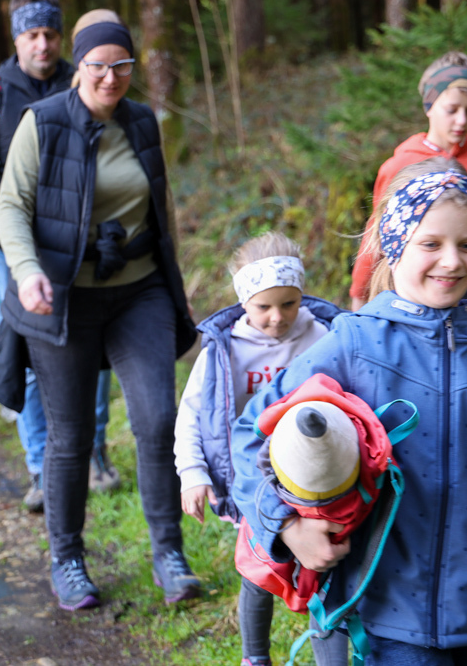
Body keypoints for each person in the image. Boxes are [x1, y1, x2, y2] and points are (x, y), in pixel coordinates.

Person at [232, 160, 467, 665]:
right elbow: (249, 433)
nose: (451, 261)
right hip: (375, 619)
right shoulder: (352, 345)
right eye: (431, 244)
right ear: (394, 244)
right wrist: (286, 527)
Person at [0, 14, 198, 611]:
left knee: (158, 420)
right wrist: (27, 271)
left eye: (122, 66)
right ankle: (68, 560)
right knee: (72, 435)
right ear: (78, 68)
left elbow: (159, 206)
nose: (111, 77)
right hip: (63, 296)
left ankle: (169, 553)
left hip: (138, 290)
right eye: (99, 66)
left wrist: (174, 280)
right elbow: (11, 206)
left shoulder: (141, 121)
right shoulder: (42, 122)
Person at [0, 0, 118, 513]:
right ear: (16, 40)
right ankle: (41, 465)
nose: (42, 44)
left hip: (83, 247)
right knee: (25, 352)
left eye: (50, 34)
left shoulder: (85, 82)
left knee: (93, 350)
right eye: (32, 36)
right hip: (14, 247)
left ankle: (94, 452)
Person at [173, 232, 343, 666]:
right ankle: (255, 657)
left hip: (317, 473)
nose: (277, 317)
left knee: (325, 571)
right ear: (243, 300)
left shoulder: (324, 336)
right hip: (254, 478)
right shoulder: (225, 349)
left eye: (289, 303)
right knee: (260, 567)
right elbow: (192, 413)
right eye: (263, 306)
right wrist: (193, 473)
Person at [349, 51, 467, 326]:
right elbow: (376, 234)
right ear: (429, 106)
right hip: (405, 294)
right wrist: (360, 297)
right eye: (452, 110)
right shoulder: (401, 164)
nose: (462, 120)